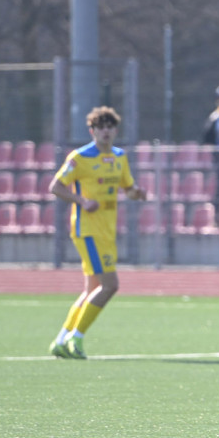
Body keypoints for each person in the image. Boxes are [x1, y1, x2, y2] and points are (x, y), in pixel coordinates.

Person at [47, 106, 147, 359]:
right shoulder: (79, 158)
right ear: (92, 131)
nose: (106, 131)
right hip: (87, 230)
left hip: (107, 230)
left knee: (91, 287)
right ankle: (76, 338)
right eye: (100, 127)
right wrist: (81, 201)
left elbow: (128, 188)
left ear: (115, 130)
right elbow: (56, 186)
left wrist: (137, 194)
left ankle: (60, 340)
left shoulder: (119, 157)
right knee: (111, 285)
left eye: (110, 127)